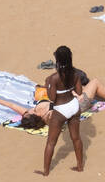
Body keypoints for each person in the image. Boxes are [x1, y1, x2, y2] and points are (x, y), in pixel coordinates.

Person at [38, 46, 91, 174]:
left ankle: (45, 171)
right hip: (73, 106)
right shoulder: (76, 74)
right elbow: (79, 92)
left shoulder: (53, 78)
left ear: (57, 60)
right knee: (76, 138)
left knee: (51, 142)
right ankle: (80, 167)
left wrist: (47, 85)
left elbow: (52, 98)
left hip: (60, 110)